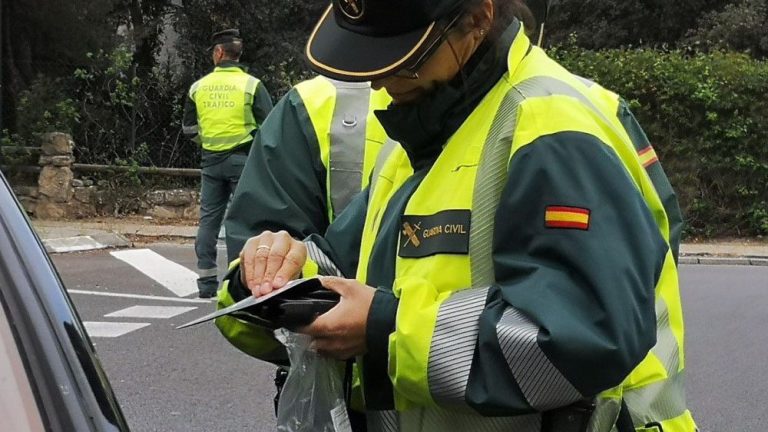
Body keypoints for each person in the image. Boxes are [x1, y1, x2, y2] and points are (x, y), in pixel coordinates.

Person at [229, 0, 698, 431]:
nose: (378, 82)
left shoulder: (552, 128)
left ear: (476, 19)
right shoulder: (428, 129)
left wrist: (385, 327)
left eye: (404, 59)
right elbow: (349, 264)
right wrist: (279, 274)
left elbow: (583, 337)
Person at [182, 28, 273, 298]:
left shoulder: (198, 87)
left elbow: (188, 129)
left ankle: (206, 285)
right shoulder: (252, 85)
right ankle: (237, 285)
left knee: (208, 220)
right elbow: (269, 127)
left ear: (219, 53)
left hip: (210, 161)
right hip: (242, 161)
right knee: (240, 221)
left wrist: (208, 143)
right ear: (236, 54)